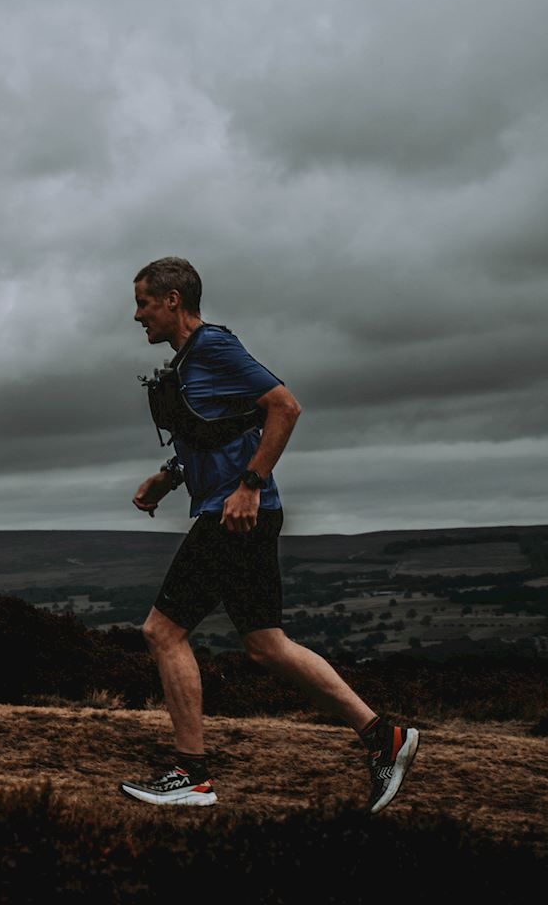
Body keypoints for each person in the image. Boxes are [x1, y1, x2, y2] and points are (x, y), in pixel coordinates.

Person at [118, 256, 418, 814]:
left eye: (143, 303)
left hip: (234, 515)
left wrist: (249, 486)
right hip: (235, 512)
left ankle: (191, 774)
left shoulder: (213, 347)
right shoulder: (187, 363)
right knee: (266, 646)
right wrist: (168, 478)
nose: (137, 316)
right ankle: (384, 737)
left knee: (162, 632)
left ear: (173, 300)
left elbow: (285, 406)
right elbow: (217, 432)